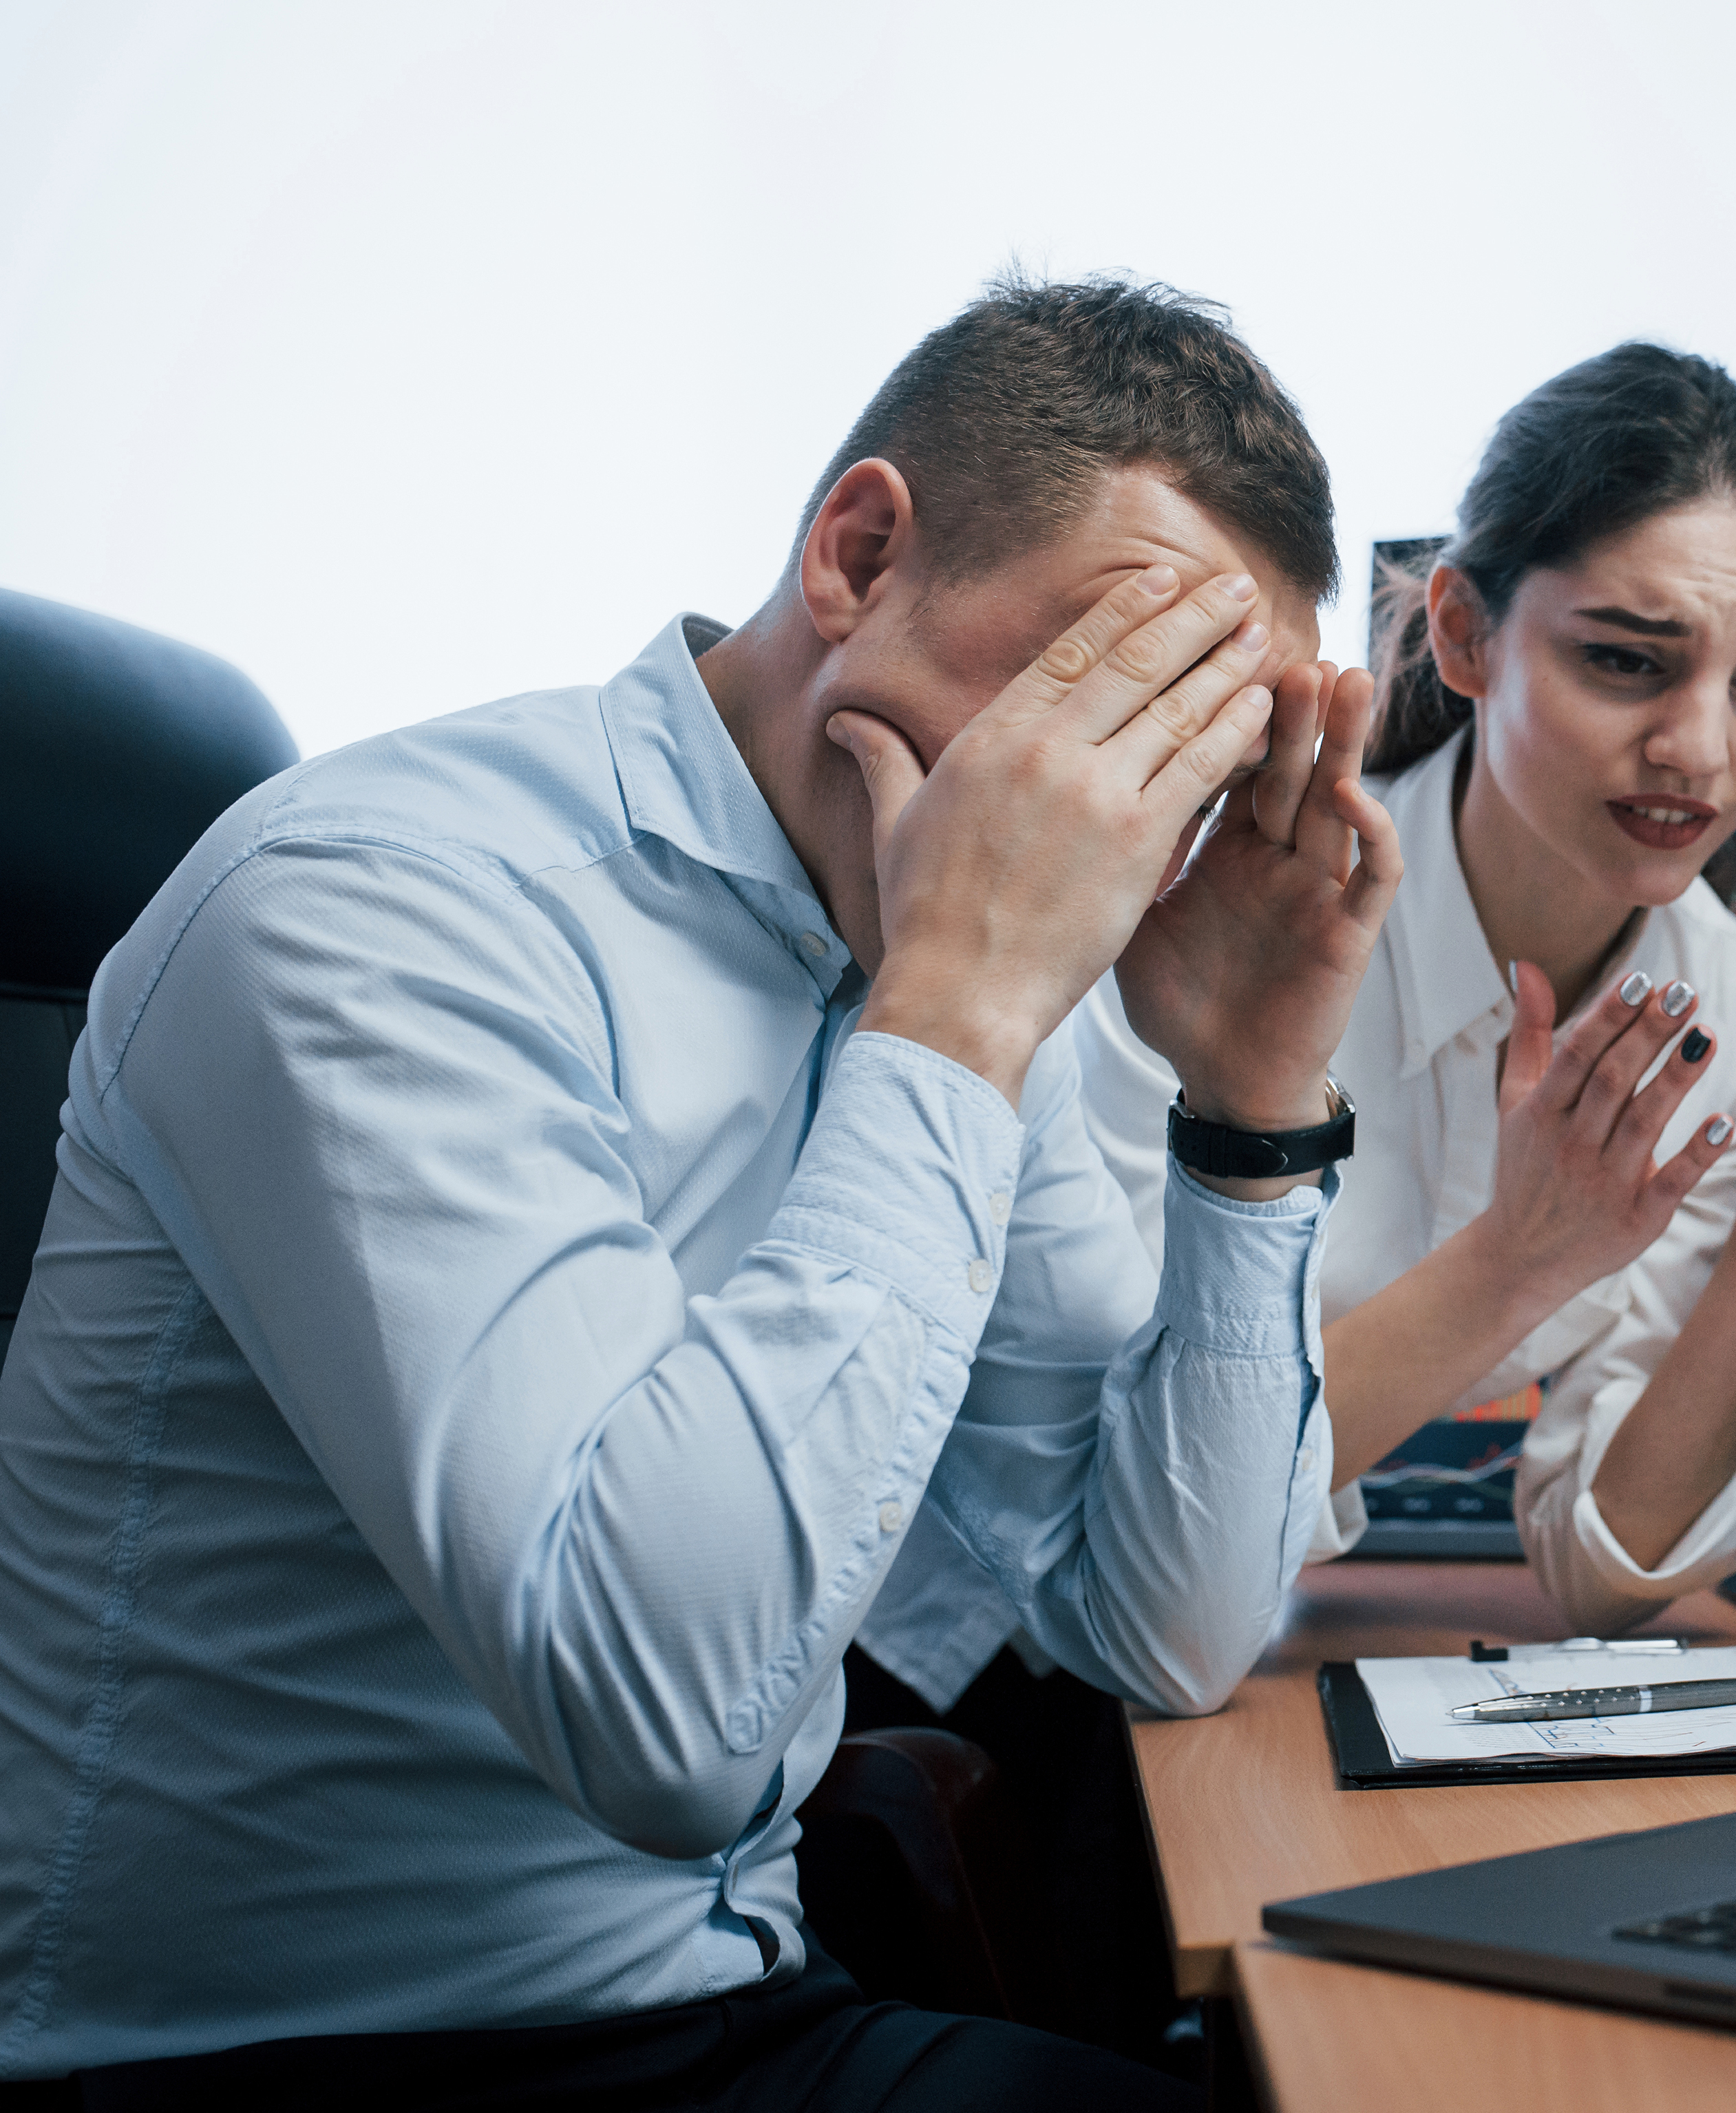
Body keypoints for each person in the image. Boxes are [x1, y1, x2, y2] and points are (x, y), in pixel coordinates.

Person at [0, 277, 1396, 2106]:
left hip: (738, 1994)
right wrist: (959, 1010)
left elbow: (1159, 1622)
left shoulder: (966, 965)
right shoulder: (374, 910)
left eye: (1202, 750)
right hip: (277, 2053)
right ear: (861, 551)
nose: (1129, 814)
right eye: (1099, 697)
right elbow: (664, 1723)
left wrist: (1255, 1099)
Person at [1075, 344, 1736, 1636]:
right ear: (1464, 634)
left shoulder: (1727, 1009)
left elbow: (1606, 1571)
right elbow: (1105, 1508)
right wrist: (1517, 1261)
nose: (1699, 751)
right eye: (1628, 660)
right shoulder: (1221, 920)